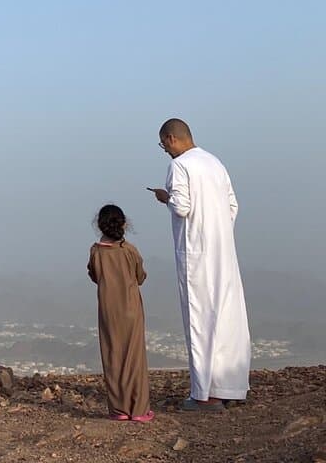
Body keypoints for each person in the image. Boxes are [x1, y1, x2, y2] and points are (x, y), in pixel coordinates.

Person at [148, 118, 251, 411]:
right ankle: (231, 388)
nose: (165, 151)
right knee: (227, 318)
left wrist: (164, 197)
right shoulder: (215, 163)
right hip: (224, 252)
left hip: (196, 253)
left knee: (200, 320)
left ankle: (204, 395)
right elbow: (232, 206)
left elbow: (182, 206)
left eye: (162, 145)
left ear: (170, 139)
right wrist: (217, 229)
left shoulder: (180, 166)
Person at [87, 204, 153, 423]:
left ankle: (119, 409)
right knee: (135, 358)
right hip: (131, 309)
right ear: (123, 224)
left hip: (108, 309)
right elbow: (140, 276)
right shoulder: (129, 250)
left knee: (113, 355)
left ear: (100, 225)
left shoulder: (96, 251)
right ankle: (140, 409)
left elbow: (95, 275)